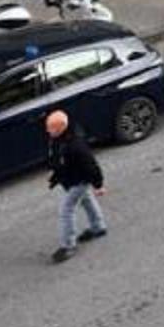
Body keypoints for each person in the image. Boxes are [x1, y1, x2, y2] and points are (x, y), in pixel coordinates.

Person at [45, 110, 106, 263]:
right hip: (70, 179)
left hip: (78, 181)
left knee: (66, 210)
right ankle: (98, 227)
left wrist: (98, 185)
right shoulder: (58, 139)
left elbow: (91, 166)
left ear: (60, 128)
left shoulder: (76, 146)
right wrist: (55, 176)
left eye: (51, 128)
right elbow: (59, 161)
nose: (47, 130)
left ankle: (68, 246)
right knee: (86, 200)